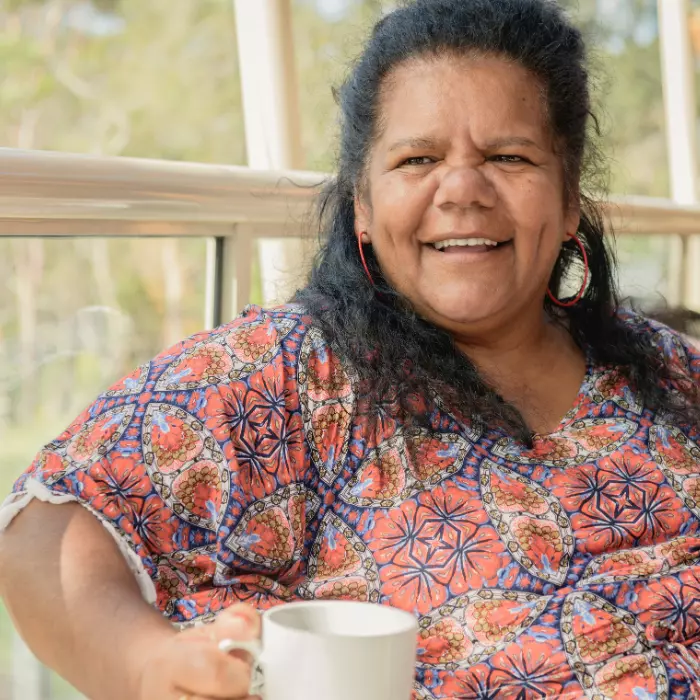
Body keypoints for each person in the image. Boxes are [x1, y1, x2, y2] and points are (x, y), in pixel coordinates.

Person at [1, 0, 700, 698]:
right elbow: (44, 529)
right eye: (417, 158)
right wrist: (148, 666)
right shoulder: (291, 375)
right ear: (362, 204)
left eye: (509, 156)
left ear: (570, 195)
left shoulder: (669, 371)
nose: (461, 190)